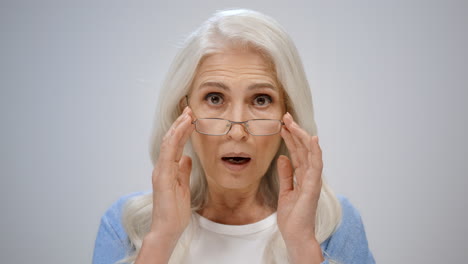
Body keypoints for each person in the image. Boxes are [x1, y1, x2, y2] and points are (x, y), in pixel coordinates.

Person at [92, 9, 375, 264]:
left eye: (261, 100)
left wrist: (302, 246)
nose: (237, 131)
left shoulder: (335, 224)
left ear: (288, 115)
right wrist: (161, 239)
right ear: (185, 113)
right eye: (215, 98)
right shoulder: (126, 224)